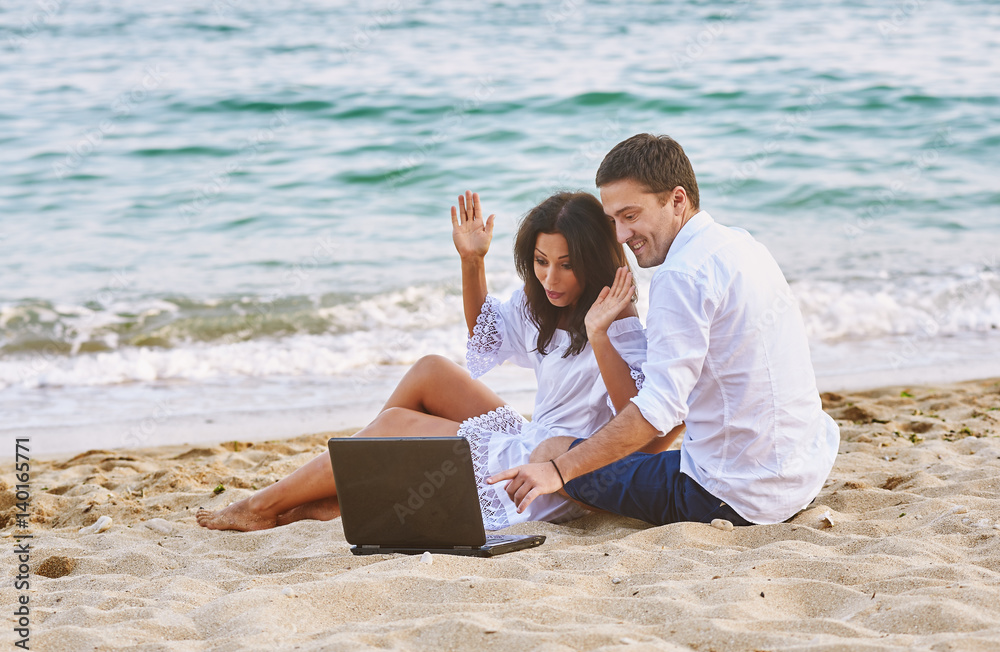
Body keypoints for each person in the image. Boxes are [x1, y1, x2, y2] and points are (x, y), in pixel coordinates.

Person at [197, 189, 675, 532]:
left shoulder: (618, 325)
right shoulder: (550, 305)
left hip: (549, 474)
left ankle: (266, 504)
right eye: (540, 260)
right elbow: (486, 333)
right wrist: (473, 262)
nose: (551, 276)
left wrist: (600, 334)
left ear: (593, 261)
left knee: (393, 425)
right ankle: (356, 488)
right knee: (431, 370)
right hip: (532, 436)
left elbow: (639, 420)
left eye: (566, 264)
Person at [491, 134, 840, 527]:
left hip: (732, 496)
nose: (621, 236)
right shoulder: (741, 245)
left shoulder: (680, 276)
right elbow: (676, 380)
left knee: (549, 450)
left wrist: (559, 469)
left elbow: (658, 412)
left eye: (631, 216)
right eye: (613, 222)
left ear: (677, 200)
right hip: (803, 471)